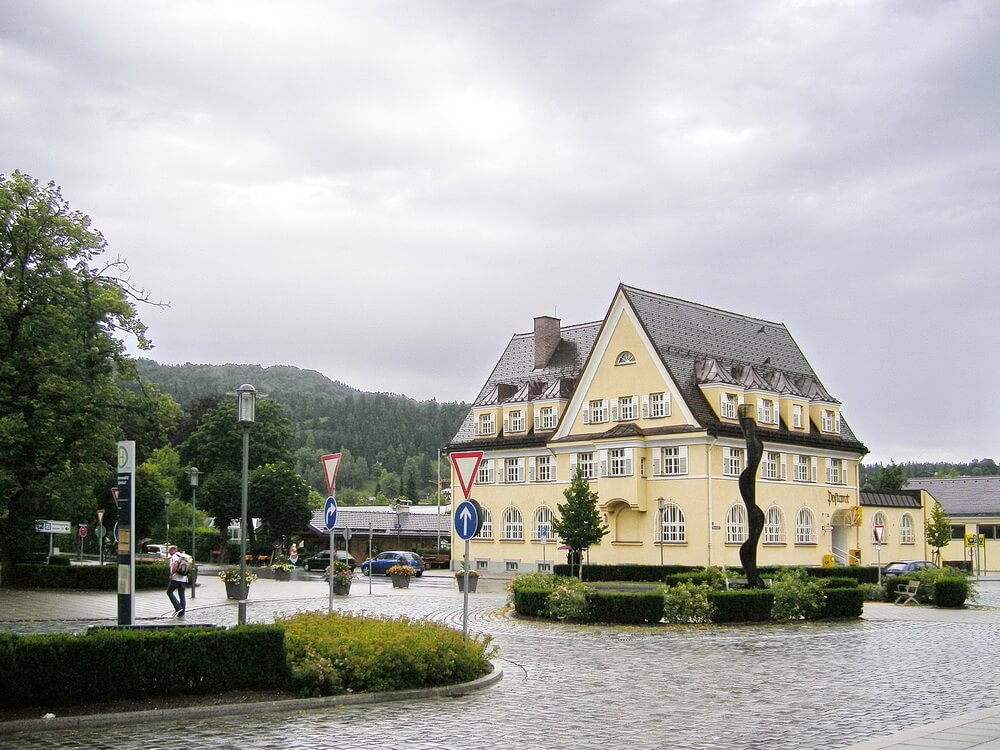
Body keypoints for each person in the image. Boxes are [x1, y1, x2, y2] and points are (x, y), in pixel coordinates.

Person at [166, 544, 188, 617]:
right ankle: (182, 613)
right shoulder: (182, 555)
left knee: (169, 592)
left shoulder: (175, 556)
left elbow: (175, 564)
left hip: (176, 579)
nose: (169, 552)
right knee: (182, 595)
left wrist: (172, 574)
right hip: (184, 579)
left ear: (173, 550)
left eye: (169, 550)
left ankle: (178, 607)